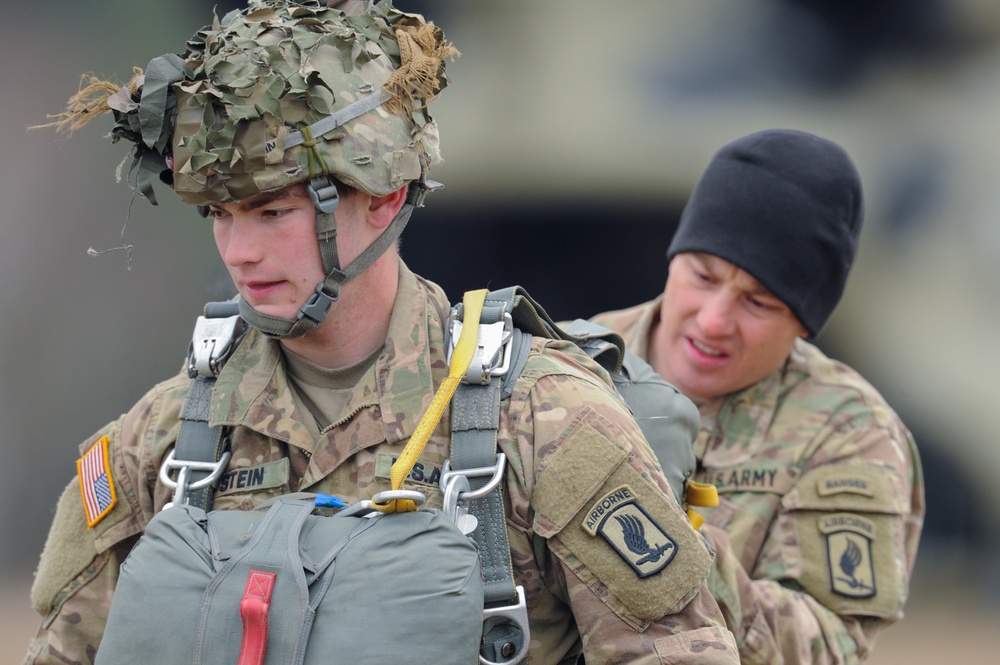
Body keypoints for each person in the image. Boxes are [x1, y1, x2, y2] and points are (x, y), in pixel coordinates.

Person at [24, 2, 741, 663]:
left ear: (384, 195)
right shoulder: (163, 445)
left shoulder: (543, 424)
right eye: (220, 215)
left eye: (272, 212)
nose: (240, 251)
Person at [590, 129, 924, 664]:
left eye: (760, 302)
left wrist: (680, 551)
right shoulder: (562, 365)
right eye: (703, 276)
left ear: (805, 323)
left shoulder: (847, 433)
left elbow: (828, 647)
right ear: (673, 259)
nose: (715, 319)